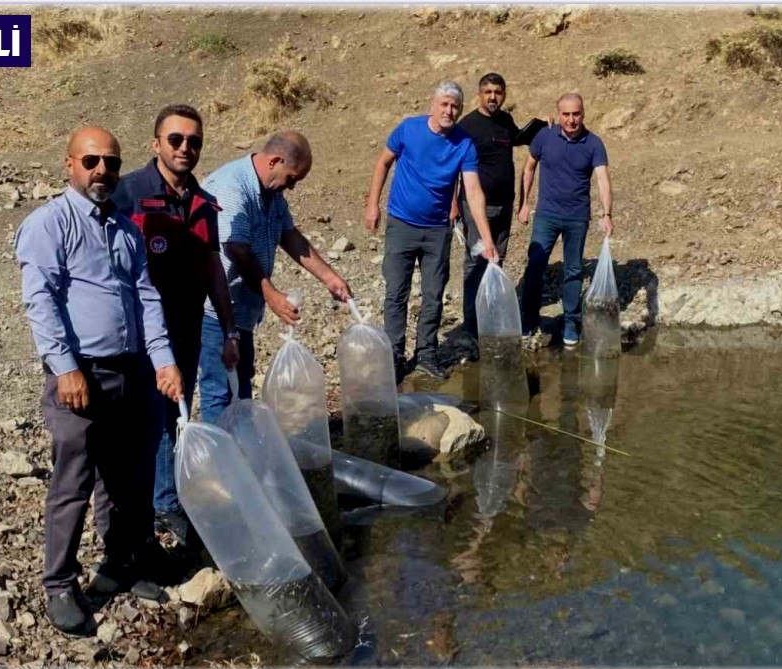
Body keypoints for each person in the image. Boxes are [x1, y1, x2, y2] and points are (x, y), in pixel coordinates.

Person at [15, 126, 185, 635]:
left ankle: (119, 565)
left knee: (128, 479)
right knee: (74, 479)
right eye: (91, 161)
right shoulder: (50, 223)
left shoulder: (125, 229)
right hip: (80, 374)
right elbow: (40, 299)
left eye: (111, 162)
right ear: (69, 163)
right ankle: (60, 583)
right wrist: (65, 367)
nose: (102, 171)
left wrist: (163, 359)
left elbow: (145, 296)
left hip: (131, 368)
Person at [112, 104, 238, 548]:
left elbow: (213, 268)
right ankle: (144, 505)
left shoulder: (203, 204)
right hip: (137, 335)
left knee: (174, 414)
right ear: (156, 145)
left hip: (186, 327)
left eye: (195, 142)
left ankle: (167, 500)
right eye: (177, 140)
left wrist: (228, 329)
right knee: (141, 419)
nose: (187, 148)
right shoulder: (126, 195)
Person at [197, 130, 352, 425]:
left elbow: (289, 235)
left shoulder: (272, 193)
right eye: (292, 178)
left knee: (240, 387)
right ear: (275, 161)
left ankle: (241, 453)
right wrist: (272, 295)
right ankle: (221, 461)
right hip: (216, 311)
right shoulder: (232, 186)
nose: (291, 187)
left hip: (243, 311)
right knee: (219, 391)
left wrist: (330, 278)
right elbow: (236, 249)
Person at [365, 80, 500, 381]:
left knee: (433, 293)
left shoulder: (464, 144)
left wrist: (487, 239)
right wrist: (373, 204)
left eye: (455, 106)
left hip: (438, 230)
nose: (449, 111)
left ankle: (426, 353)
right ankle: (394, 354)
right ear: (433, 104)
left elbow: (474, 191)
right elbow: (383, 162)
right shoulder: (408, 129)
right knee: (396, 292)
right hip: (401, 224)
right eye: (444, 104)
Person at [451, 73, 549, 360]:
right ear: (479, 94)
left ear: (504, 94)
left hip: (504, 205)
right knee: (475, 262)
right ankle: (471, 326)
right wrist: (452, 204)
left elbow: (517, 139)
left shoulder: (505, 121)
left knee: (498, 260)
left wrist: (541, 127)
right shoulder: (467, 126)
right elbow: (454, 166)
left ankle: (490, 315)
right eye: (487, 92)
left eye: (498, 92)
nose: (493, 97)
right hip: (475, 206)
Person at [518, 93, 615, 346]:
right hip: (546, 215)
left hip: (576, 217)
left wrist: (607, 214)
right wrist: (524, 203)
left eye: (576, 114)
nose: (571, 120)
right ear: (558, 114)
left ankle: (570, 322)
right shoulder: (544, 136)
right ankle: (528, 319)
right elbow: (529, 167)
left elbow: (603, 178)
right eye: (566, 114)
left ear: (583, 113)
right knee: (535, 265)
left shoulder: (593, 143)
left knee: (573, 270)